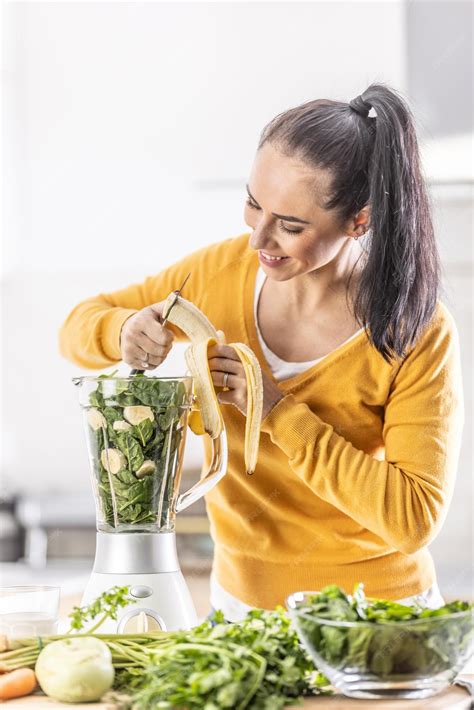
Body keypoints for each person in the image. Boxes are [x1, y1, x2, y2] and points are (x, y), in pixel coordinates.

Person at [59, 83, 463, 622]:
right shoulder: (215, 274)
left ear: (359, 221)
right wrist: (121, 329)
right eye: (253, 203)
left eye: (291, 226)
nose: (258, 239)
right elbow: (76, 326)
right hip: (242, 608)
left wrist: (277, 412)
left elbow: (413, 517)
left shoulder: (416, 330)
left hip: (377, 618)